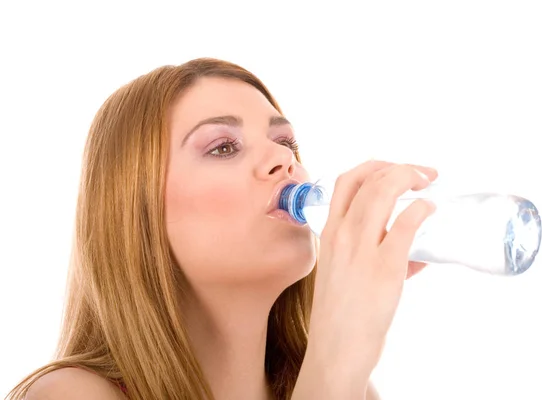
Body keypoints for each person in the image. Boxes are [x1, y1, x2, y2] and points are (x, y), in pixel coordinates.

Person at [5, 57, 437, 400]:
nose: (284, 160)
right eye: (224, 147)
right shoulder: (70, 395)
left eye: (285, 142)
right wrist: (338, 356)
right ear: (136, 210)